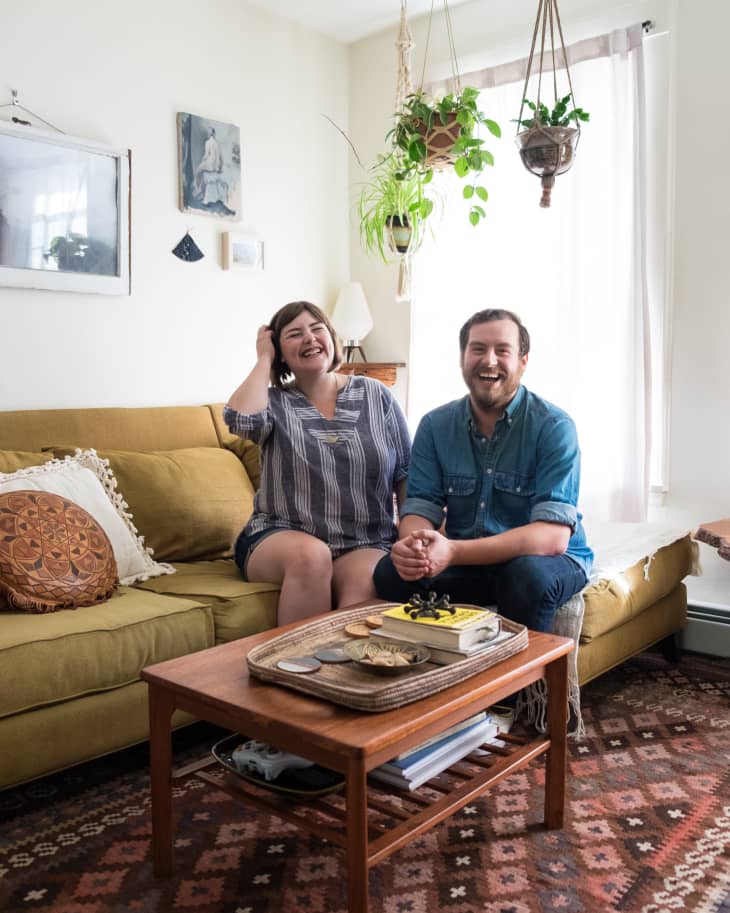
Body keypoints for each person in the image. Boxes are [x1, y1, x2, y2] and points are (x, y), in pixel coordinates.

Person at [373, 308, 593, 633]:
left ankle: (522, 684)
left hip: (545, 560)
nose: (489, 360)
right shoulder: (435, 426)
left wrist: (453, 551)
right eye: (478, 349)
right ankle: (433, 672)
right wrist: (417, 547)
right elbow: (419, 508)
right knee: (389, 572)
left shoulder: (554, 427)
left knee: (525, 577)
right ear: (463, 358)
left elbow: (552, 537)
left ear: (523, 361)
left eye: (502, 350)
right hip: (473, 562)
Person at [224, 301, 411, 625]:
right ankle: (292, 671)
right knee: (312, 556)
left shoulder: (376, 395)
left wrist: (410, 537)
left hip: (366, 541)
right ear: (280, 352)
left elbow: (406, 474)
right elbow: (240, 419)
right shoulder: (274, 402)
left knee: (361, 606)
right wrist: (263, 360)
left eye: (316, 329)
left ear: (331, 337)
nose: (309, 338)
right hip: (279, 536)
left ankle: (342, 675)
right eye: (295, 334)